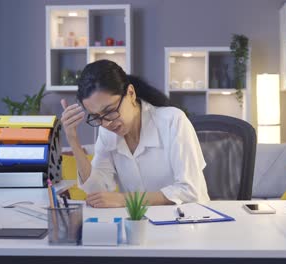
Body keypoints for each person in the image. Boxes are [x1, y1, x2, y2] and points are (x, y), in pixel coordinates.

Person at [60, 60, 209, 208]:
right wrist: (73, 139)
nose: (106, 123)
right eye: (96, 116)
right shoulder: (107, 133)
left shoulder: (173, 120)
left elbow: (190, 191)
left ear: (130, 93)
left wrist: (124, 199)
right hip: (138, 225)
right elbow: (99, 194)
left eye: (110, 111)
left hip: (187, 223)